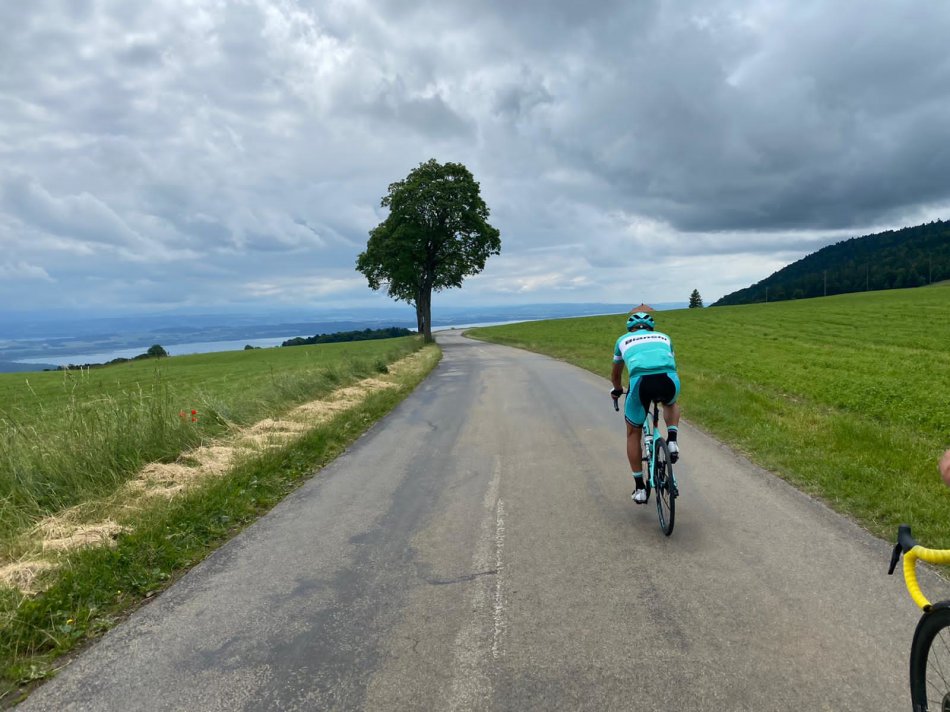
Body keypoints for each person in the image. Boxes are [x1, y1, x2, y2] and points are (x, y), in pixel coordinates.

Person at [610, 311, 681, 504]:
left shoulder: (622, 340)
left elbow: (616, 375)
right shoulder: (664, 337)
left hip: (641, 383)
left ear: (630, 328)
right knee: (670, 402)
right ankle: (672, 440)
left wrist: (617, 389)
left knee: (633, 432)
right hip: (668, 379)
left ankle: (640, 488)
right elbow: (671, 362)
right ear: (651, 328)